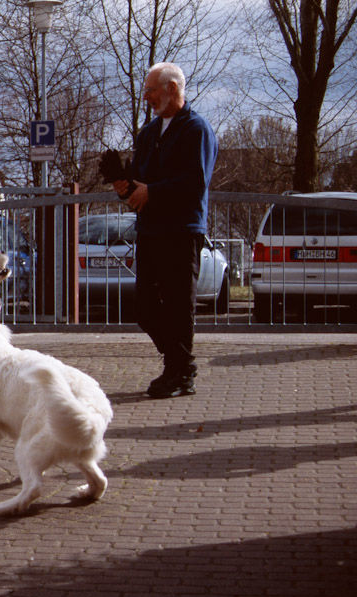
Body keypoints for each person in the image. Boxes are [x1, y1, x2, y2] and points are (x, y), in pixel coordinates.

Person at [113, 62, 218, 400]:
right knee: (144, 307)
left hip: (181, 229)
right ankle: (181, 364)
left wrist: (152, 192)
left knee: (178, 304)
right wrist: (126, 189)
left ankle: (178, 372)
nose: (146, 97)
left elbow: (195, 181)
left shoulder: (196, 129)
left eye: (151, 90)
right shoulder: (148, 133)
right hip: (152, 229)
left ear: (173, 88)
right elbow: (141, 179)